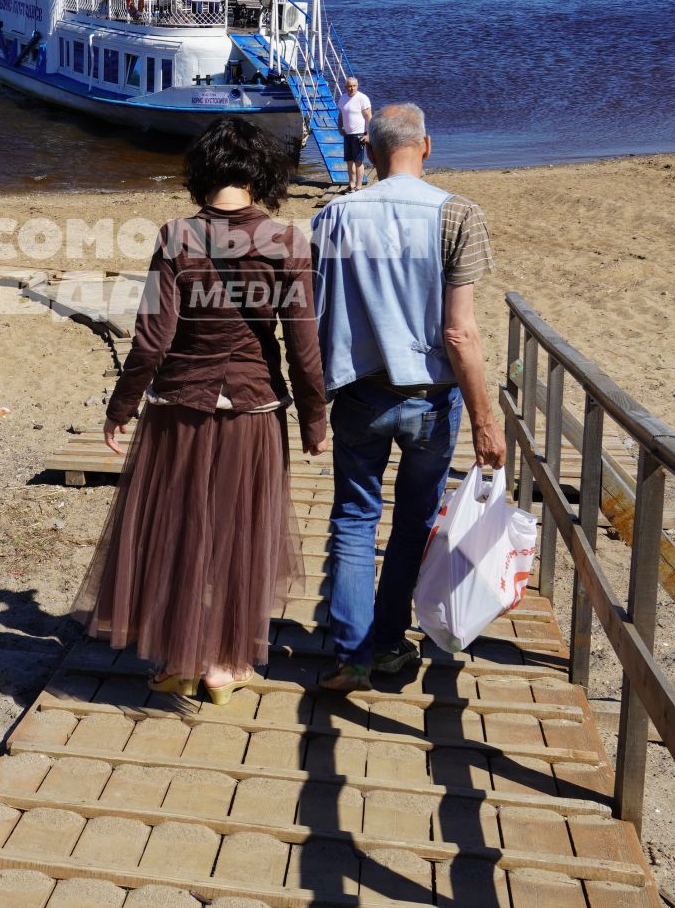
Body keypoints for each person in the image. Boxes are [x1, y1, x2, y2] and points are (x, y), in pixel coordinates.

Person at [76, 118, 327, 701]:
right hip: (254, 407)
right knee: (240, 533)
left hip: (180, 404)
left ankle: (176, 661)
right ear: (261, 175)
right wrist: (315, 420)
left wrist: (121, 406)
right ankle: (223, 664)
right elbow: (304, 346)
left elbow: (151, 340)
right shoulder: (288, 241)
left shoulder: (176, 237)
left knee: (181, 530)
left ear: (202, 173)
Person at [310, 103, 502, 689]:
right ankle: (390, 644)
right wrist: (485, 418)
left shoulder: (333, 215)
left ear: (369, 151)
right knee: (413, 521)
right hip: (430, 397)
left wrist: (311, 402)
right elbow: (459, 332)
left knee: (352, 517)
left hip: (360, 393)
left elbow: (313, 313)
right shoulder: (458, 214)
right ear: (427, 145)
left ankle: (350, 653)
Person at [337, 76, 373, 193]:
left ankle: (358, 186)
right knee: (349, 161)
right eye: (349, 86)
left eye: (354, 86)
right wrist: (340, 127)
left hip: (359, 134)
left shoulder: (362, 98)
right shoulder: (343, 98)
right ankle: (351, 185)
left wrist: (368, 134)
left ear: (357, 86)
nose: (352, 88)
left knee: (358, 162)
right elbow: (341, 115)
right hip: (347, 134)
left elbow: (369, 117)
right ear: (346, 87)